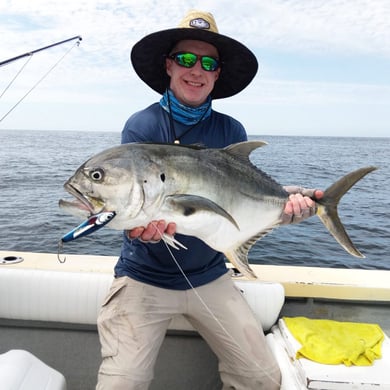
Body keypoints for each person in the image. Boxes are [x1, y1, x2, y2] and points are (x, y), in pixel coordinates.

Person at [96, 10, 323, 390]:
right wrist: (139, 229)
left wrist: (283, 209)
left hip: (211, 276)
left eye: (208, 62)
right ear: (169, 66)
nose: (195, 69)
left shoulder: (231, 131)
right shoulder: (142, 127)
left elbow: (240, 200)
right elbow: (133, 201)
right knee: (121, 383)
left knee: (262, 379)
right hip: (144, 279)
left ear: (217, 74)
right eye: (186, 59)